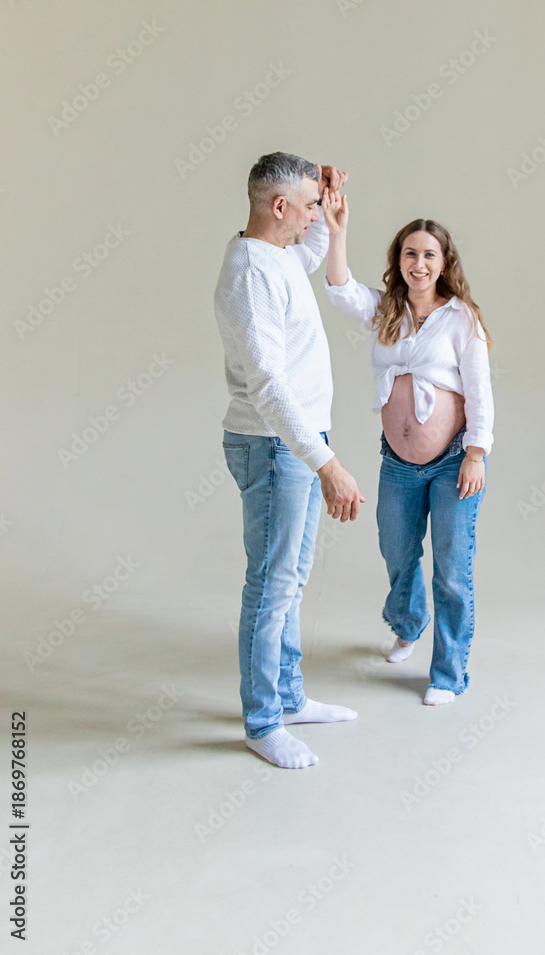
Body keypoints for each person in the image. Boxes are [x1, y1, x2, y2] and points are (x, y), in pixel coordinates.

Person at [213, 152, 365, 768]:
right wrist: (328, 464)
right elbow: (269, 386)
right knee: (272, 585)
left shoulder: (275, 256)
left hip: (293, 445)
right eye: (305, 208)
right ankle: (262, 721)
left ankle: (290, 696)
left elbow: (311, 252)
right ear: (279, 207)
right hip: (275, 447)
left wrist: (329, 209)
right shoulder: (252, 272)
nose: (311, 218)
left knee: (290, 580)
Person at [321, 187, 494, 706]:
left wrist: (476, 454)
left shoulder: (461, 318)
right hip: (397, 462)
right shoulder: (385, 310)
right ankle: (408, 623)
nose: (419, 264)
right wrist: (336, 231)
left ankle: (447, 675)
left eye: (429, 255)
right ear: (399, 260)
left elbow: (480, 391)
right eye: (410, 253)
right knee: (397, 551)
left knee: (452, 570)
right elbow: (339, 289)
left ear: (444, 263)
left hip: (453, 461)